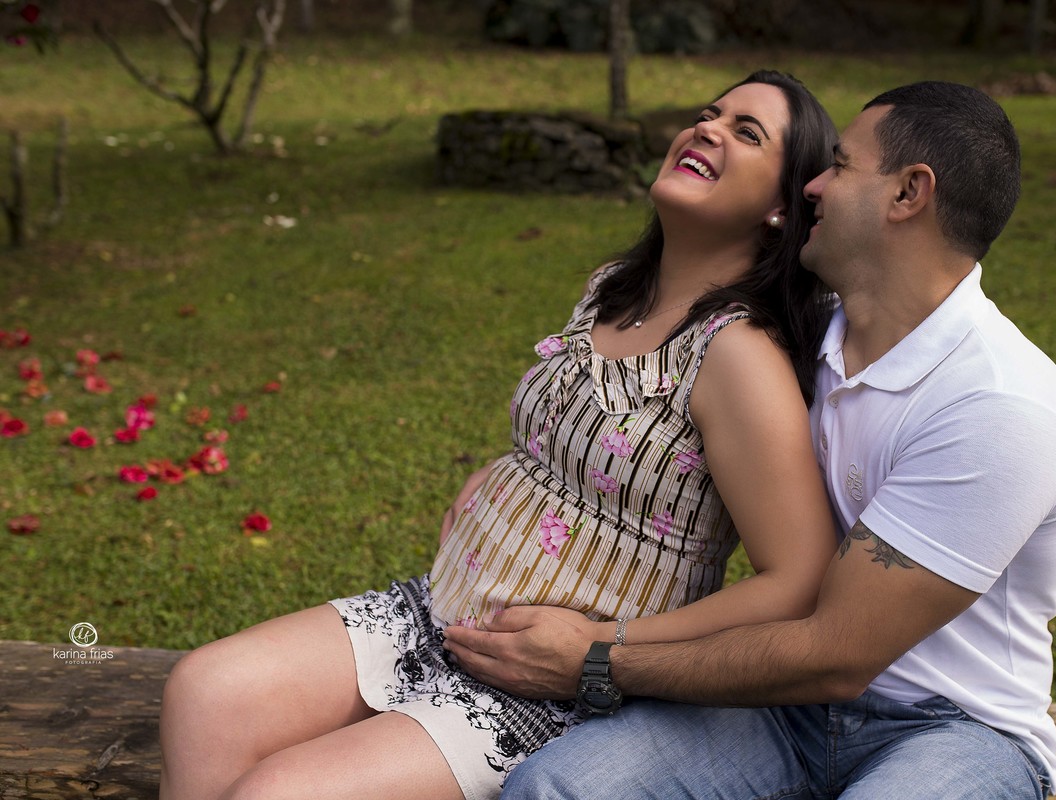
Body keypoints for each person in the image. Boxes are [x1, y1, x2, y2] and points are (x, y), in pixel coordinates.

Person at [157, 70, 840, 800]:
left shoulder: (737, 356)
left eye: (746, 132)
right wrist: (511, 471)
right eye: (710, 113)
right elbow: (602, 447)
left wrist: (600, 653)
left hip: (547, 688)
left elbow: (796, 581)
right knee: (205, 691)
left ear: (780, 205)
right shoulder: (616, 286)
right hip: (441, 611)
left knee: (277, 794)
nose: (707, 128)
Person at [445, 81, 1056, 800]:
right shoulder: (815, 336)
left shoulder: (998, 408)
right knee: (554, 787)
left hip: (954, 727)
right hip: (786, 709)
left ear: (908, 193)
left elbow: (837, 655)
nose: (812, 184)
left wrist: (598, 659)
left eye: (840, 165)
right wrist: (522, 472)